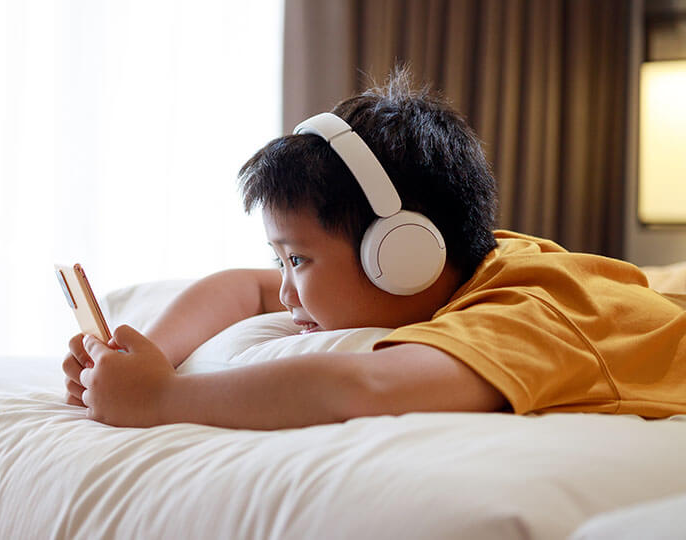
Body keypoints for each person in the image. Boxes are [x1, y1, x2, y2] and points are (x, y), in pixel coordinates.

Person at [62, 69, 686, 429]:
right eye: (282, 259)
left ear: (401, 252)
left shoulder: (531, 317)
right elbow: (241, 285)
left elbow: (365, 386)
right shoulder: (464, 266)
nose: (282, 291)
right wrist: (145, 358)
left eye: (298, 261)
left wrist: (164, 401)